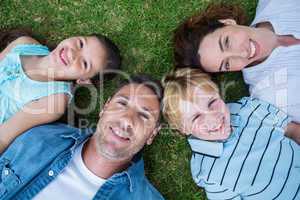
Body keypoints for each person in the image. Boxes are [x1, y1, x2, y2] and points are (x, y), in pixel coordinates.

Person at [0, 74, 164, 200]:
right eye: (121, 104)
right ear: (104, 108)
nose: (127, 120)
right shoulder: (40, 138)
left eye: (143, 116)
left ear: (152, 134)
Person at [162, 68, 300, 199]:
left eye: (211, 102)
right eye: (196, 117)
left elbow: (293, 130)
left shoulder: (250, 108)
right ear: (183, 129)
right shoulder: (210, 174)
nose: (212, 117)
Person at [173, 0, 300, 123]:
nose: (243, 54)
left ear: (228, 22)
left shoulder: (278, 4)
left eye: (227, 42)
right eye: (227, 64)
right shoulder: (274, 97)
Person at [0, 29, 121, 153]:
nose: (73, 54)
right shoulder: (24, 43)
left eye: (85, 63)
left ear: (83, 80)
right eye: (81, 44)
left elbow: (4, 136)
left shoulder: (53, 101)